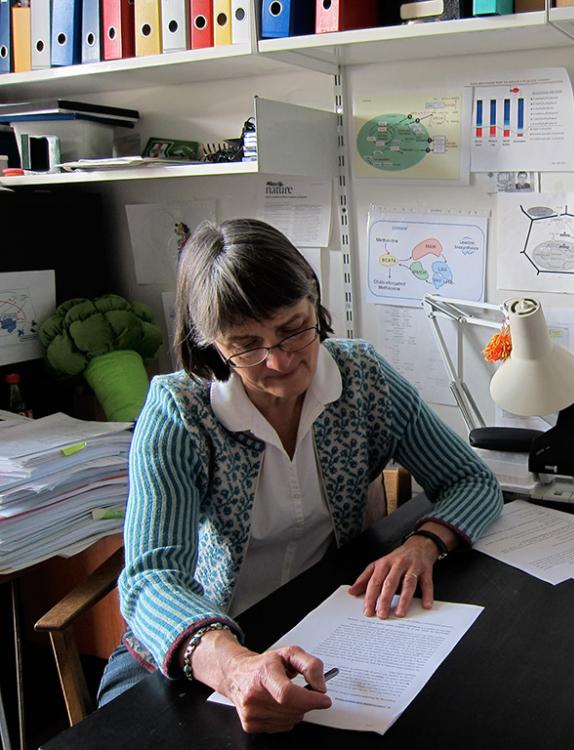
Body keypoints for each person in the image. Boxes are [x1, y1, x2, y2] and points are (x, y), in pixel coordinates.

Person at [99, 219, 503, 733]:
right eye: (246, 345)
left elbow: (472, 480)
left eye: (294, 327)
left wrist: (423, 543)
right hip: (195, 649)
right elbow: (150, 579)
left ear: (314, 300)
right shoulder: (181, 414)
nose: (281, 359)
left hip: (324, 627)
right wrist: (233, 665)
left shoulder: (363, 380)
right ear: (212, 346)